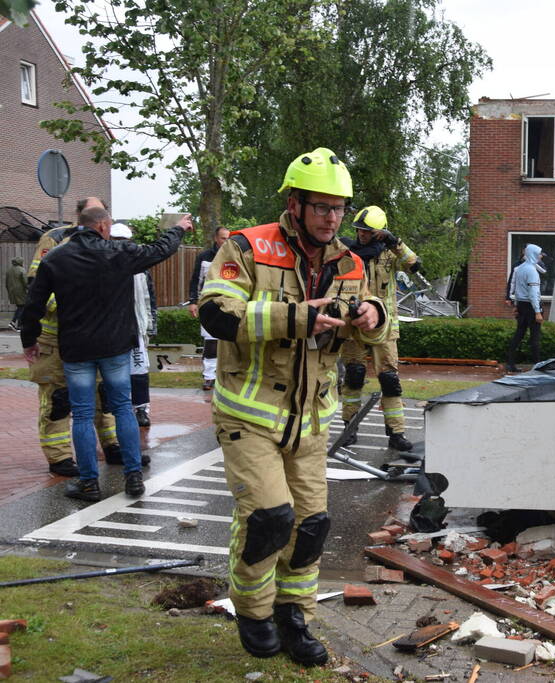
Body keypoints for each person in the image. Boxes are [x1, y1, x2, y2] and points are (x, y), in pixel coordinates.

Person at [198, 148, 386, 667]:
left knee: (311, 525)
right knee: (268, 518)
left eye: (339, 209)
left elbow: (363, 331)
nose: (332, 218)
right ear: (294, 202)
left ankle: (293, 615)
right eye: (322, 207)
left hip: (311, 421)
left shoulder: (350, 263)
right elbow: (218, 315)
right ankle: (253, 612)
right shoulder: (247, 246)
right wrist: (295, 317)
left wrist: (373, 316)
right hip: (248, 415)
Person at [20, 207, 191, 503]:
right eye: (109, 225)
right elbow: (161, 249)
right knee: (123, 408)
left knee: (83, 414)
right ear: (101, 226)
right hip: (114, 347)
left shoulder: (56, 258)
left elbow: (33, 303)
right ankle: (133, 475)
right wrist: (177, 228)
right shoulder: (119, 253)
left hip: (76, 349)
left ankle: (89, 484)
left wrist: (28, 341)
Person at [25, 197, 123, 478]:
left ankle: (111, 445)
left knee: (104, 395)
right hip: (55, 338)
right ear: (78, 215)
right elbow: (37, 286)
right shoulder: (55, 239)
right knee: (59, 398)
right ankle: (60, 457)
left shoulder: (108, 239)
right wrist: (76, 302)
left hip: (94, 335)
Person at [338, 205, 420, 451]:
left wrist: (396, 242)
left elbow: (414, 265)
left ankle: (396, 433)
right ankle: (349, 428)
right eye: (359, 231)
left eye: (367, 232)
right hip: (355, 327)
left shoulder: (389, 255)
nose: (362, 235)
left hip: (385, 331)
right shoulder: (348, 253)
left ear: (379, 233)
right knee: (353, 378)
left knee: (390, 380)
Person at [110, 223, 157, 427]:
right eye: (116, 240)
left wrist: (150, 325)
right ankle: (115, 410)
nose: (120, 245)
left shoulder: (140, 268)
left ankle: (141, 409)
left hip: (134, 326)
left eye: (124, 241)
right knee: (113, 372)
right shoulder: (100, 264)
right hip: (109, 328)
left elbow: (148, 297)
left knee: (138, 370)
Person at [188, 226, 231, 390]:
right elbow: (195, 280)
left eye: (228, 238)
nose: (225, 241)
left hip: (230, 304)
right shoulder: (204, 257)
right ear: (216, 238)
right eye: (223, 238)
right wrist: (193, 301)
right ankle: (209, 377)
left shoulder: (235, 256)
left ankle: (226, 377)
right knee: (211, 342)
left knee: (229, 341)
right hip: (209, 304)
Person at [506, 243, 544, 372]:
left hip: (521, 305)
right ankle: (537, 366)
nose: (540, 256)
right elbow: (533, 293)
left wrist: (516, 305)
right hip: (531, 306)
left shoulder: (520, 268)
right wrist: (537, 311)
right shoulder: (532, 271)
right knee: (535, 337)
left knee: (519, 334)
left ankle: (510, 363)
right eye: (539, 253)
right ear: (533, 254)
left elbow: (516, 288)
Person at [6, 256, 27, 330]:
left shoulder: (9, 270)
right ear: (20, 262)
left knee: (20, 307)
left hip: (12, 292)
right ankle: (14, 322)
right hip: (20, 292)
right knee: (22, 307)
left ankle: (19, 326)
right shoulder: (21, 270)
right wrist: (29, 288)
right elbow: (25, 282)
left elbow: (6, 283)